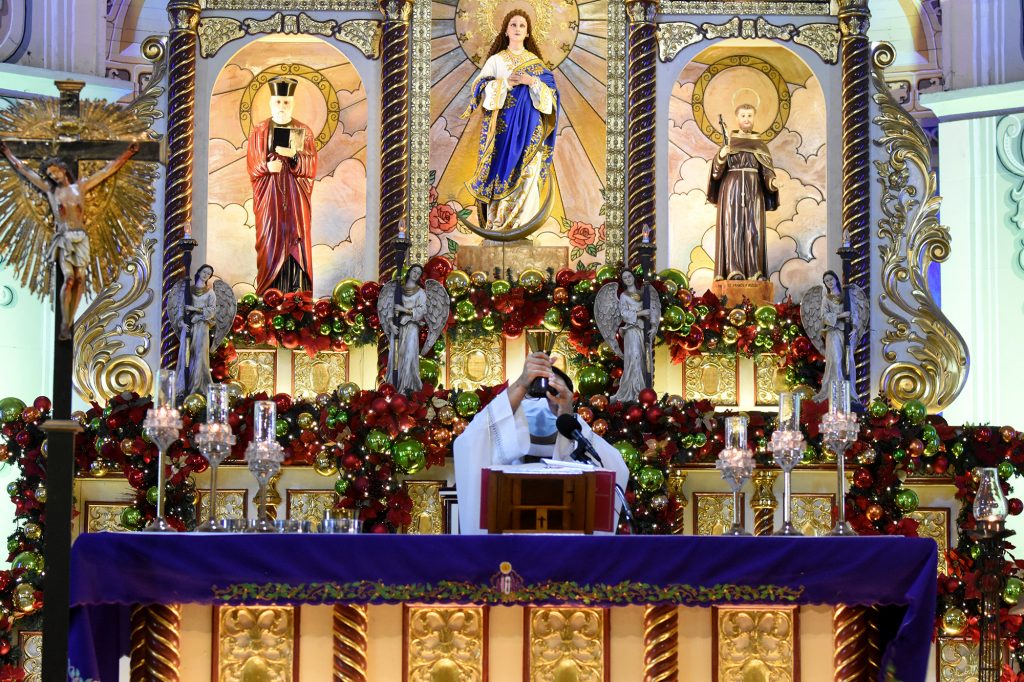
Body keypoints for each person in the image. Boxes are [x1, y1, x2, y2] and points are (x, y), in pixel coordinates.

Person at [453, 352, 630, 534]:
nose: (542, 402)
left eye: (553, 393)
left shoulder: (577, 438)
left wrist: (567, 417)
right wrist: (522, 384)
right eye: (533, 393)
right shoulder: (499, 446)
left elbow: (615, 468)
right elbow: (468, 445)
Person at [0, 140, 140, 340]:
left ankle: (71, 320)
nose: (53, 176)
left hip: (81, 237)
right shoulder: (51, 192)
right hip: (64, 238)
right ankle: (65, 324)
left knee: (80, 279)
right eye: (49, 175)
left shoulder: (80, 187)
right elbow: (24, 170)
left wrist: (127, 153)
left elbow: (107, 170)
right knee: (69, 280)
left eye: (55, 172)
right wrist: (7, 153)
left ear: (63, 169)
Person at [463, 10, 559, 236]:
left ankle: (524, 227)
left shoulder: (536, 64)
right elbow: (480, 88)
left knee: (528, 172)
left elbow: (551, 98)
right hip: (503, 130)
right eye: (513, 24)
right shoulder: (496, 61)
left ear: (527, 33)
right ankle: (499, 224)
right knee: (502, 171)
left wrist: (532, 82)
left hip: (530, 129)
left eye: (522, 26)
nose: (517, 28)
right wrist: (505, 83)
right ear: (506, 30)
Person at [247, 76, 317, 294]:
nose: (282, 106)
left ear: (292, 104)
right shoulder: (259, 130)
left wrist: (295, 158)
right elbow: (252, 163)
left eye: (286, 102)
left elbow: (311, 164)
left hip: (296, 200)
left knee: (297, 243)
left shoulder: (303, 130)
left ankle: (297, 296)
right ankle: (269, 294)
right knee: (269, 243)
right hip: (269, 199)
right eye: (278, 102)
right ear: (271, 103)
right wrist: (267, 167)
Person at [706, 103, 779, 281]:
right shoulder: (729, 143)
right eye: (743, 115)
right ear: (737, 119)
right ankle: (734, 270)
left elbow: (767, 170)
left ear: (754, 118)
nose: (746, 119)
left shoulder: (761, 145)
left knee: (754, 229)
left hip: (754, 190)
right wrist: (722, 155)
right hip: (731, 189)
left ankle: (756, 271)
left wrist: (771, 181)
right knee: (733, 227)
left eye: (750, 115)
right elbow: (716, 173)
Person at [175, 264, 218, 397]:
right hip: (188, 327)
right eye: (204, 271)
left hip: (202, 327)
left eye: (208, 274)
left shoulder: (210, 292)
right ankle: (183, 387)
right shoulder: (188, 290)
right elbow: (181, 308)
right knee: (186, 354)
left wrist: (196, 311)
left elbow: (211, 311)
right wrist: (182, 322)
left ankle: (199, 387)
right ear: (199, 272)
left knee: (200, 355)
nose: (206, 275)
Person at [611, 271, 653, 403]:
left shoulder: (642, 293)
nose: (628, 279)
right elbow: (624, 314)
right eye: (625, 278)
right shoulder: (623, 296)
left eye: (629, 276)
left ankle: (642, 391)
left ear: (634, 277)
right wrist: (641, 313)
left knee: (642, 359)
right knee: (633, 358)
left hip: (642, 330)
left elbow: (652, 310)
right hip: (631, 330)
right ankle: (633, 392)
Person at [388, 264, 428, 393]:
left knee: (410, 356)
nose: (415, 274)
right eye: (414, 271)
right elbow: (390, 308)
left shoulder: (421, 292)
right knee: (397, 355)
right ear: (409, 272)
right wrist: (391, 325)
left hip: (411, 327)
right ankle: (395, 387)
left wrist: (404, 310)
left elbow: (423, 310)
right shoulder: (398, 290)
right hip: (398, 328)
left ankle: (409, 388)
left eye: (418, 273)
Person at [815, 270, 851, 402]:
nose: (829, 282)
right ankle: (836, 394)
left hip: (844, 332)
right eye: (826, 281)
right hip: (832, 332)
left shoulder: (845, 295)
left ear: (836, 279)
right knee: (834, 360)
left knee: (845, 362)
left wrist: (855, 326)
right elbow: (823, 317)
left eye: (831, 279)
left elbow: (854, 313)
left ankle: (844, 394)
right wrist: (842, 316)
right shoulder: (826, 299)